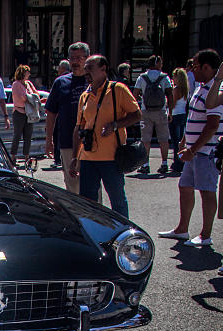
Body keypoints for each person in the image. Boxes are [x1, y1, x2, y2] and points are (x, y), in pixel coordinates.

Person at [159, 49, 223, 247]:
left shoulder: (216, 90)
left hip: (206, 151)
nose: (191, 70)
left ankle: (205, 234)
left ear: (206, 67)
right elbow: (194, 118)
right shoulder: (201, 87)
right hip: (194, 150)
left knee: (206, 190)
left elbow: (212, 125)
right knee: (185, 186)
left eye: (194, 66)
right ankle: (182, 229)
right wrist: (185, 140)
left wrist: (192, 149)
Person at [70, 55, 141, 218]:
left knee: (117, 201)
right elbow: (79, 128)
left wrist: (115, 125)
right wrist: (75, 157)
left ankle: (124, 236)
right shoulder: (85, 96)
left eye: (90, 68)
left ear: (103, 69)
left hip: (112, 157)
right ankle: (93, 236)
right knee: (87, 203)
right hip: (88, 158)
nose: (86, 71)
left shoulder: (118, 90)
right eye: (85, 68)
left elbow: (137, 115)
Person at [45, 42, 92, 194]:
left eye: (79, 58)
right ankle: (76, 217)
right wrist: (49, 140)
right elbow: (51, 113)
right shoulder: (61, 83)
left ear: (87, 59)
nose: (75, 62)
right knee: (72, 185)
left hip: (92, 143)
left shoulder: (94, 82)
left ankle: (93, 217)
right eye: (72, 58)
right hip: (67, 142)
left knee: (92, 187)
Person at [133, 55, 174, 174]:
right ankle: (164, 163)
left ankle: (145, 164)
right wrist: (170, 111)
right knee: (163, 138)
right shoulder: (164, 77)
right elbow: (170, 95)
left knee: (145, 139)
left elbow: (134, 95)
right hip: (161, 111)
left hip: (146, 111)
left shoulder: (142, 77)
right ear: (157, 64)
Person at [10, 65, 39, 163]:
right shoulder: (16, 84)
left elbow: (36, 94)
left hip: (29, 113)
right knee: (17, 135)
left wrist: (32, 98)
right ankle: (13, 156)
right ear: (23, 73)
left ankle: (27, 156)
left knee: (28, 135)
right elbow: (23, 98)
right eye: (28, 72)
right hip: (19, 112)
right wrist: (31, 98)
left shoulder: (29, 84)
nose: (29, 74)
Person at [169, 68, 190, 173]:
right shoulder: (185, 89)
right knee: (180, 140)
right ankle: (181, 161)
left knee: (175, 141)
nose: (173, 78)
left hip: (175, 115)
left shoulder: (176, 89)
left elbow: (172, 104)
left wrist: (169, 113)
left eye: (174, 76)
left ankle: (178, 162)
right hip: (182, 115)